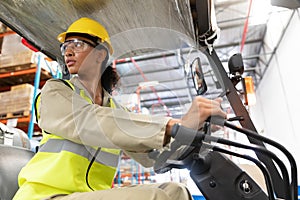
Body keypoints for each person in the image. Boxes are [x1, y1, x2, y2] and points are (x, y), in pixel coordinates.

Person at [13, 17, 226, 200]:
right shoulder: (55, 92)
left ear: (100, 54)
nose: (68, 51)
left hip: (85, 195)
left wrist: (195, 133)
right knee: (159, 197)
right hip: (44, 195)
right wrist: (175, 124)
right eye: (65, 46)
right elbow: (91, 121)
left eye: (77, 44)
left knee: (175, 191)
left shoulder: (115, 109)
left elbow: (152, 156)